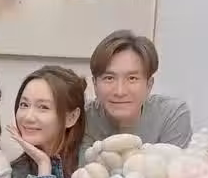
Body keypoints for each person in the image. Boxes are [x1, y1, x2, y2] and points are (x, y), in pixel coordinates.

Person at [80, 29, 193, 162]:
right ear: (95, 84)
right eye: (109, 78)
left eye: (132, 78)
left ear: (149, 85)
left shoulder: (171, 115)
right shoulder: (84, 119)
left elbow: (176, 171)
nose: (120, 92)